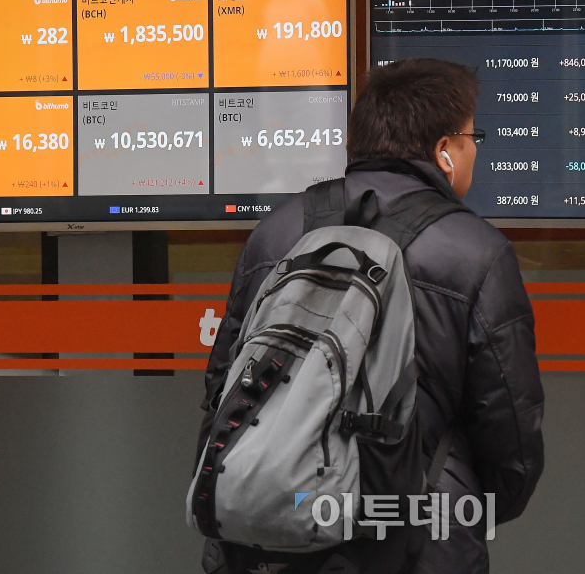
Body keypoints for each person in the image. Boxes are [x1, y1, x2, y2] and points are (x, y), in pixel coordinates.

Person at [200, 58, 545, 573]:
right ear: (445, 150)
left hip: (264, 537)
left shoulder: (274, 234)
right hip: (416, 542)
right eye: (472, 137)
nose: (475, 150)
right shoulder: (477, 252)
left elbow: (222, 383)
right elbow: (509, 426)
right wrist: (467, 501)